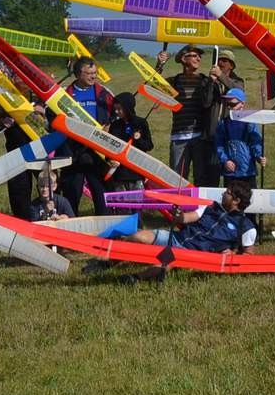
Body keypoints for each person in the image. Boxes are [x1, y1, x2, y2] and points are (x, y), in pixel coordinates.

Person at [118, 179, 260, 278]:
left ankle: (135, 278)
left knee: (165, 262)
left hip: (193, 253)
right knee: (139, 236)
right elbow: (186, 218)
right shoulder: (210, 207)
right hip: (177, 238)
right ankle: (110, 260)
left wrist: (233, 254)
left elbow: (249, 255)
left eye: (227, 193)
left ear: (236, 201)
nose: (223, 194)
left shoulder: (246, 227)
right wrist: (178, 215)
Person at [55, 58, 117, 215]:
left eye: (95, 73)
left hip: (98, 152)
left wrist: (109, 125)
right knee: (71, 194)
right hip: (73, 152)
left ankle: (105, 224)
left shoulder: (103, 92)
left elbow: (117, 114)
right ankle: (70, 224)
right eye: (89, 73)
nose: (93, 76)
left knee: (101, 194)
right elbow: (53, 119)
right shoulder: (65, 94)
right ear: (78, 74)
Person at [154, 44, 219, 181]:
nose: (198, 59)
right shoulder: (175, 81)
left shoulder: (204, 80)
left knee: (200, 178)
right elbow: (155, 86)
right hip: (178, 137)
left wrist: (211, 83)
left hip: (199, 137)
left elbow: (207, 103)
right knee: (177, 179)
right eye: (194, 55)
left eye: (199, 56)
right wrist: (159, 64)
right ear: (184, 58)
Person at [105, 91, 153, 194]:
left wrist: (138, 138)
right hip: (119, 173)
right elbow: (109, 146)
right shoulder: (115, 125)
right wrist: (110, 159)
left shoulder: (140, 123)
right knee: (121, 201)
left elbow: (148, 146)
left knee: (137, 200)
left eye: (119, 109)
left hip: (136, 172)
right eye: (115, 109)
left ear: (127, 108)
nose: (116, 112)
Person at [212, 88, 265, 181]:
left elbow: (256, 142)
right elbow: (219, 144)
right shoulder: (223, 123)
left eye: (233, 104)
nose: (229, 107)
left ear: (242, 104)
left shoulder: (250, 123)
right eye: (227, 104)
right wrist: (225, 160)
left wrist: (259, 156)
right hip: (230, 172)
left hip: (248, 171)